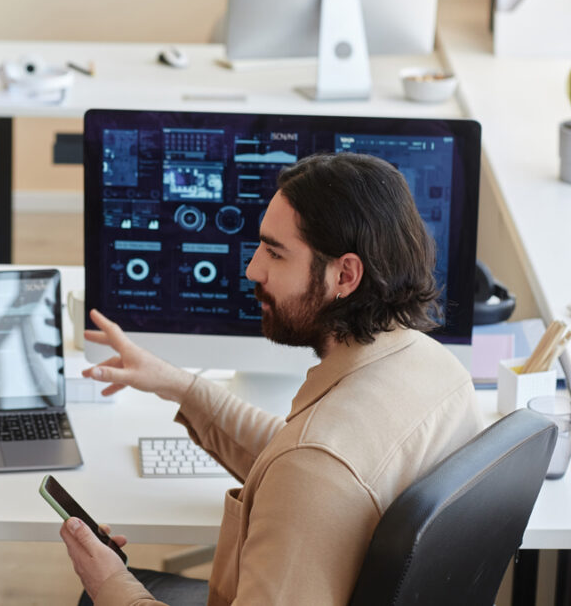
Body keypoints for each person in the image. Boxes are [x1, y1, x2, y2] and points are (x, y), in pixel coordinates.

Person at [58, 153, 485, 606]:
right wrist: (177, 385)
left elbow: (311, 471)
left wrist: (107, 583)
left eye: (275, 253)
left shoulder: (315, 469)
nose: (252, 270)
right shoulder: (438, 369)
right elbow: (294, 462)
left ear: (345, 275)